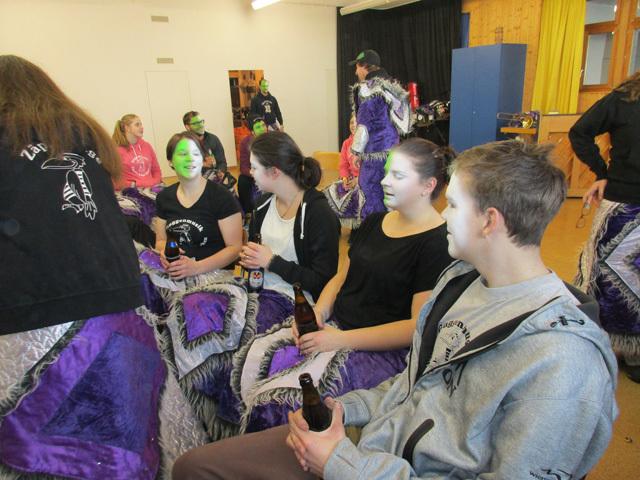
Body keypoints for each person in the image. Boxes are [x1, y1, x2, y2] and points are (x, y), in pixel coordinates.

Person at [172, 140, 618, 480]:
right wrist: (341, 407)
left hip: (371, 465)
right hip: (373, 443)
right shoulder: (460, 284)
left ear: (489, 221)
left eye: (453, 205)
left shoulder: (564, 366)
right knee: (193, 466)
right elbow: (412, 383)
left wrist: (340, 461)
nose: (443, 215)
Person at [0, 55, 208, 479]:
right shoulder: (81, 133)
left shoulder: (12, 140)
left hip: (43, 310)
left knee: (57, 444)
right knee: (131, 420)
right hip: (118, 299)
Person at [570, 71, 640, 383]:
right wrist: (601, 172)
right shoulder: (624, 99)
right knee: (604, 276)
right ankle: (601, 342)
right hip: (623, 205)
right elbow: (580, 132)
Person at [241, 131, 340, 301]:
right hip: (261, 294)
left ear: (274, 172)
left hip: (297, 301)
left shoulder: (318, 214)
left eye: (254, 167)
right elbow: (256, 261)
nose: (250, 172)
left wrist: (272, 262)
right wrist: (250, 259)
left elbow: (323, 281)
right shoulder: (262, 205)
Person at [155, 131, 243, 278]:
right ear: (170, 161)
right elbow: (160, 241)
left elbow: (235, 249)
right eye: (183, 154)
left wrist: (197, 267)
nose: (190, 159)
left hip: (216, 275)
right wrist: (165, 252)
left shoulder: (222, 196)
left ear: (202, 160)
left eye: (196, 154)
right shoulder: (164, 197)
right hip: (177, 273)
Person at [350, 49, 411, 221]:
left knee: (370, 194)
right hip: (394, 154)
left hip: (373, 156)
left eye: (357, 67)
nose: (356, 72)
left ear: (364, 67)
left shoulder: (368, 89)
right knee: (391, 195)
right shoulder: (393, 88)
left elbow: (363, 127)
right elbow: (405, 124)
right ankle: (391, 229)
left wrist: (356, 152)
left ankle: (374, 231)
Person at [323, 113, 364, 228]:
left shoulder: (368, 144)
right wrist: (345, 178)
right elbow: (343, 165)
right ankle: (335, 227)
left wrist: (358, 180)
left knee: (357, 196)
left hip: (364, 180)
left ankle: (358, 229)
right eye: (351, 122)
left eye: (357, 122)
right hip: (350, 179)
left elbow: (370, 168)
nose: (353, 125)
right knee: (330, 192)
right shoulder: (346, 143)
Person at [112, 113, 163, 189]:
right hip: (131, 190)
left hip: (151, 188)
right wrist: (135, 184)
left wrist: (154, 182)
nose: (141, 127)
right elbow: (114, 180)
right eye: (137, 125)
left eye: (141, 124)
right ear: (127, 128)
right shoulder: (117, 150)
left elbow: (156, 170)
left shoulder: (147, 146)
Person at [183, 110, 231, 184]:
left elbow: (222, 162)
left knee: (229, 186)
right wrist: (203, 164)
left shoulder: (213, 139)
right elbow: (183, 166)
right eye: (195, 123)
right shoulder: (183, 143)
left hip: (215, 178)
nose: (200, 125)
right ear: (187, 127)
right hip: (195, 181)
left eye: (201, 121)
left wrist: (221, 172)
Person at [237, 114, 267, 215]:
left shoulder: (273, 139)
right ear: (252, 131)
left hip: (270, 172)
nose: (262, 129)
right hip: (253, 173)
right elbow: (243, 167)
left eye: (263, 125)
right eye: (258, 127)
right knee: (242, 181)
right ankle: (248, 212)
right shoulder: (245, 143)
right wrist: (254, 173)